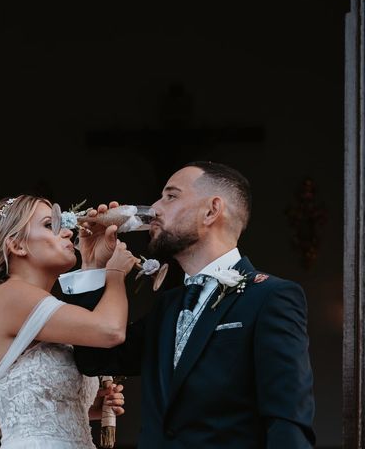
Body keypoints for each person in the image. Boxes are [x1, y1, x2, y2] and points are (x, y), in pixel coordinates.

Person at [61, 161, 316, 448]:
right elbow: (95, 360)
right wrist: (93, 267)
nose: (155, 207)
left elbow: (287, 419)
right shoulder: (167, 306)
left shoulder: (270, 297)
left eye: (171, 196)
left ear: (211, 210)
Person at [0, 195, 140, 449]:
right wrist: (114, 273)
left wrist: (87, 408)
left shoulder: (38, 311)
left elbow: (13, 421)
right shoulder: (9, 297)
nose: (68, 232)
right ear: (17, 246)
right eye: (49, 225)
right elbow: (109, 330)